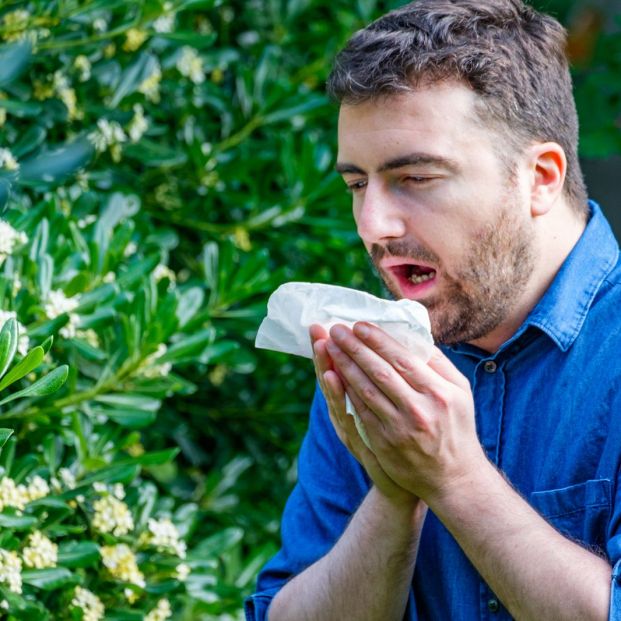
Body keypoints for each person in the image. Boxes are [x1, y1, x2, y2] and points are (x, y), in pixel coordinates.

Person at [245, 1, 621, 619]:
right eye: (357, 184)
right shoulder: (380, 351)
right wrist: (394, 497)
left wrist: (456, 479)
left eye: (415, 177)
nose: (373, 226)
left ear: (541, 177)